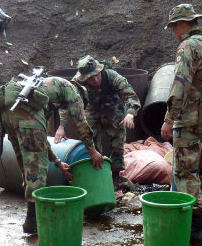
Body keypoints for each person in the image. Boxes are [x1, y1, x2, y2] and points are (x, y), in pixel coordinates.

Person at [0, 76, 104, 234]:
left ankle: (32, 217)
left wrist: (57, 162)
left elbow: (40, 139)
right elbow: (80, 123)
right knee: (36, 168)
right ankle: (33, 221)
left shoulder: (44, 89)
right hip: (23, 112)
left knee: (26, 164)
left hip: (7, 114)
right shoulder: (71, 91)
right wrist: (92, 151)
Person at [160, 4, 202, 245]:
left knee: (185, 172)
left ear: (182, 24)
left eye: (174, 26)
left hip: (190, 120)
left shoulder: (187, 47)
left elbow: (180, 85)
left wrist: (169, 118)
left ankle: (194, 231)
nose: (174, 32)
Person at [55, 55, 141, 188]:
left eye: (96, 75)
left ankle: (115, 177)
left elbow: (131, 95)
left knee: (118, 143)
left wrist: (130, 114)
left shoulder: (112, 76)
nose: (94, 80)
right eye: (90, 78)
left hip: (113, 109)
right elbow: (67, 103)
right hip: (92, 109)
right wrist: (61, 126)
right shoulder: (77, 83)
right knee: (90, 142)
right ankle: (97, 174)